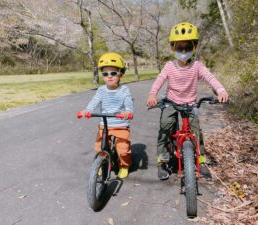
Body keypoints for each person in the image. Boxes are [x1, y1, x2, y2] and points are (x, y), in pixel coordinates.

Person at [146, 22, 229, 180]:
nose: (183, 52)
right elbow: (159, 80)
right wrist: (152, 94)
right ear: (173, 48)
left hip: (190, 104)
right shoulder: (169, 66)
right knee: (165, 127)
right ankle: (162, 161)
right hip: (171, 102)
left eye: (187, 48)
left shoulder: (197, 66)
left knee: (196, 131)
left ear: (195, 47)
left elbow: (210, 78)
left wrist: (221, 90)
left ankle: (201, 161)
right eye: (179, 48)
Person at [80, 52, 133, 179]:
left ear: (120, 74)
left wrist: (128, 112)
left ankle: (124, 166)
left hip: (120, 124)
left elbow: (128, 103)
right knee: (100, 147)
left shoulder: (124, 90)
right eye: (105, 74)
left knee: (123, 149)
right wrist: (87, 110)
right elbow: (95, 101)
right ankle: (100, 164)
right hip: (105, 124)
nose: (109, 77)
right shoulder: (101, 90)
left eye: (113, 73)